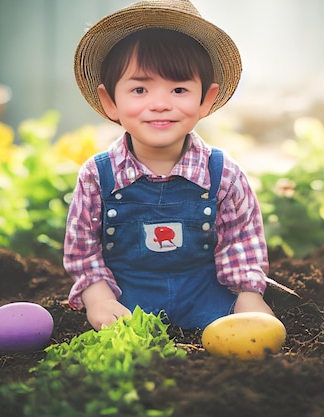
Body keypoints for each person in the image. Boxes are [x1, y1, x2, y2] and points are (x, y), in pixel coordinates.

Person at [64, 0, 274, 331]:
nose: (160, 104)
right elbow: (83, 249)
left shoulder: (223, 174)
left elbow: (240, 241)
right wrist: (99, 299)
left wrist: (249, 295)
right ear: (110, 102)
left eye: (178, 89)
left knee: (241, 338)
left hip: (205, 296)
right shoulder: (97, 175)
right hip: (127, 300)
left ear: (205, 99)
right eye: (139, 89)